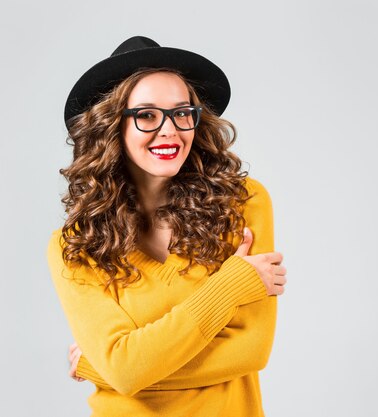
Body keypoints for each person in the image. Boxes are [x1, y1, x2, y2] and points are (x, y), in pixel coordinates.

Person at [47, 36, 287, 416]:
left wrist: (105, 368)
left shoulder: (242, 204)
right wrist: (229, 285)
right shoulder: (76, 245)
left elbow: (250, 351)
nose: (170, 130)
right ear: (112, 127)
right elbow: (124, 370)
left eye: (182, 112)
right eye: (146, 115)